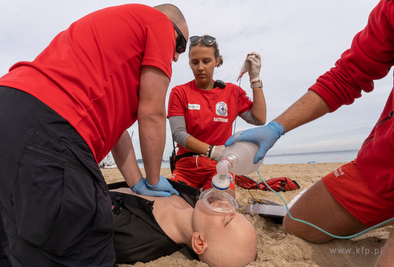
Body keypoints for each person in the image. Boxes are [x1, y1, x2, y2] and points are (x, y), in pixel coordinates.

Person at [0, 3, 188, 266]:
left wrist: (137, 182)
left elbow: (115, 132)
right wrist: (155, 179)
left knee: (14, 241)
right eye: (180, 44)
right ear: (171, 27)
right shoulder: (158, 22)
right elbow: (153, 112)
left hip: (10, 103)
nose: (177, 56)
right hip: (51, 125)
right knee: (83, 246)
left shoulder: (107, 38)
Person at [225, 0, 394, 266]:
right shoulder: (393, 7)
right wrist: (276, 127)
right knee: (297, 223)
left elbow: (254, 114)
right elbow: (347, 76)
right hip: (386, 162)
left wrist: (256, 81)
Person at [168, 35, 266, 197]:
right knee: (176, 211)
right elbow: (178, 134)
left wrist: (255, 79)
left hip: (220, 167)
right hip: (186, 167)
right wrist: (211, 151)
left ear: (217, 61)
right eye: (195, 62)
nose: (200, 67)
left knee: (220, 207)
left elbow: (259, 118)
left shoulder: (231, 92)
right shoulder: (180, 92)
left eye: (206, 61)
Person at [109, 180, 257, 267]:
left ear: (199, 242)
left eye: (227, 218)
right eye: (234, 211)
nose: (225, 202)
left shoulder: (135, 238)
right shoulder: (192, 197)